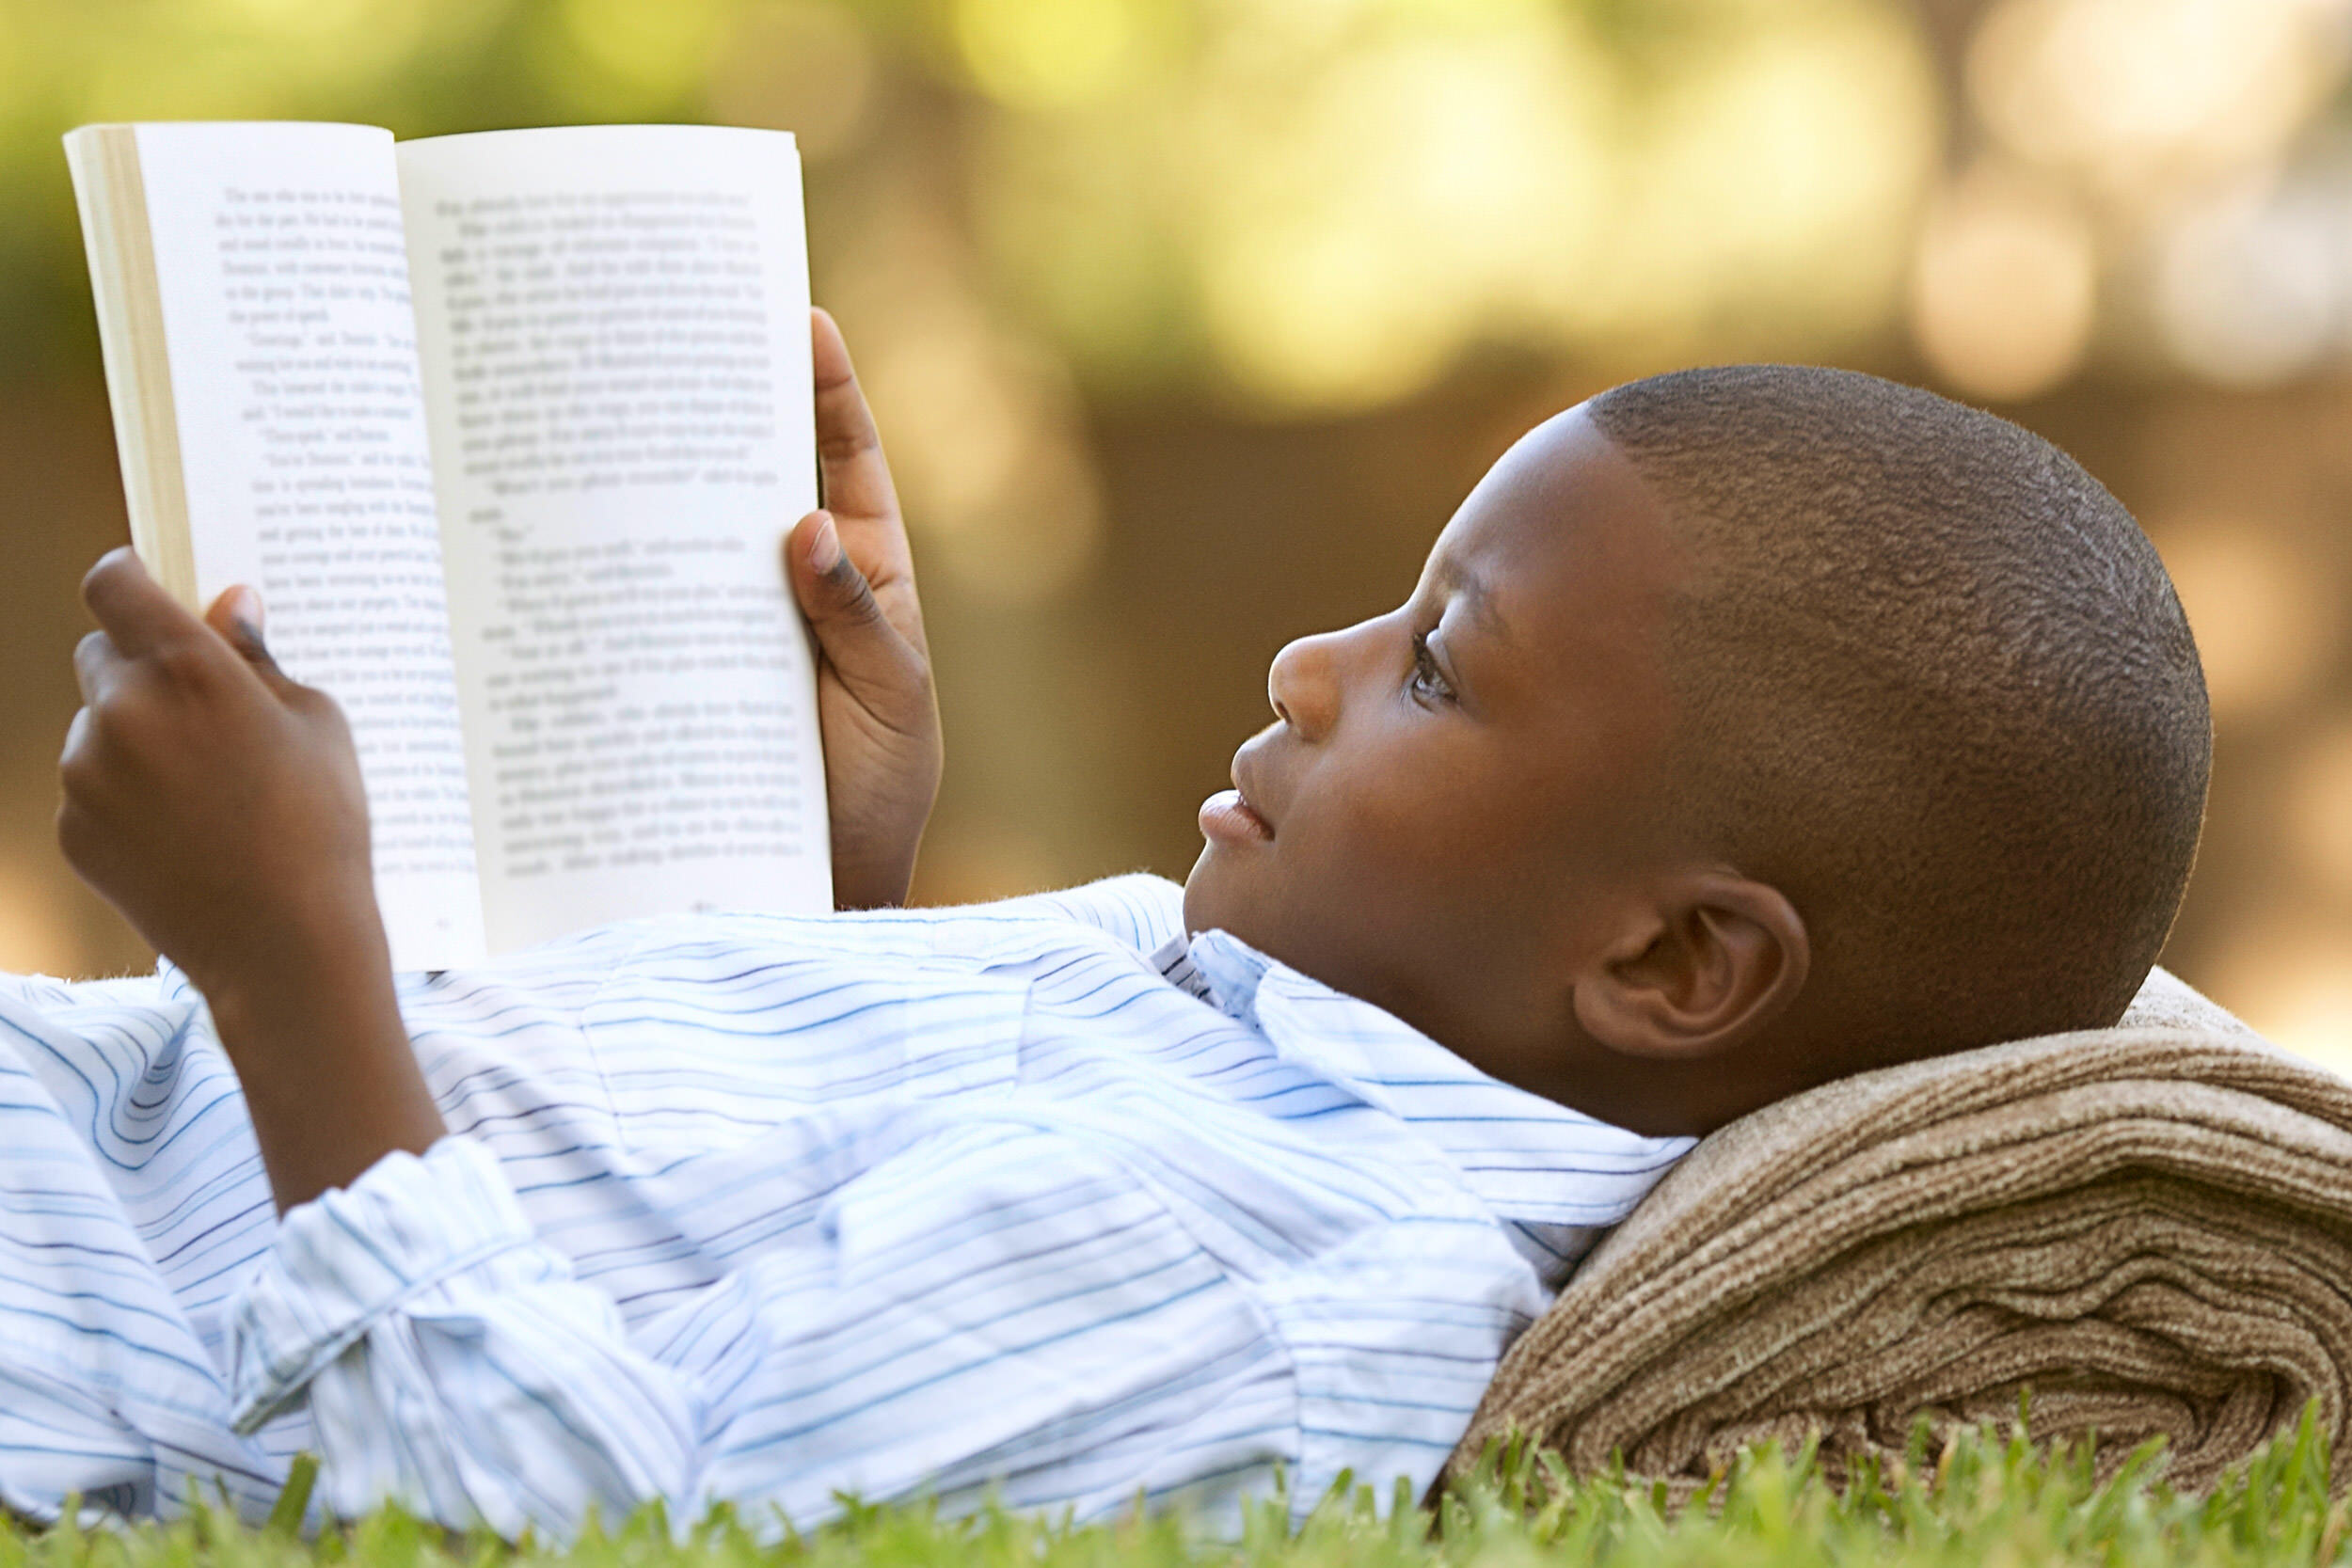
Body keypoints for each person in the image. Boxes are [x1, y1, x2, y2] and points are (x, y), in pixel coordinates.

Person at [9, 313, 2207, 1536]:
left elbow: (568, 1513)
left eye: (1438, 664)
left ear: (1666, 969)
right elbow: (788, 1220)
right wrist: (828, 887)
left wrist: (290, 958)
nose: (1308, 667)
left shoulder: (1295, 1278)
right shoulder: (1282, 1015)